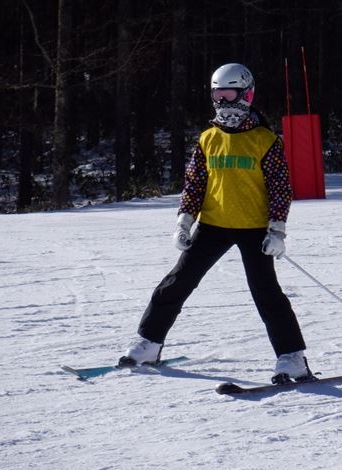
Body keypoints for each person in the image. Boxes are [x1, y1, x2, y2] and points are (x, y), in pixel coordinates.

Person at [119, 63, 314, 384]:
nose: (222, 102)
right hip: (212, 225)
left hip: (255, 229)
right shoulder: (208, 138)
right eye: (217, 95)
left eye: (228, 94)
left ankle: (292, 358)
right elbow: (195, 183)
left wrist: (277, 229)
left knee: (266, 292)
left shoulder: (265, 140)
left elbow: (280, 188)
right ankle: (149, 342)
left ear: (246, 95)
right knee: (177, 282)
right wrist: (184, 220)